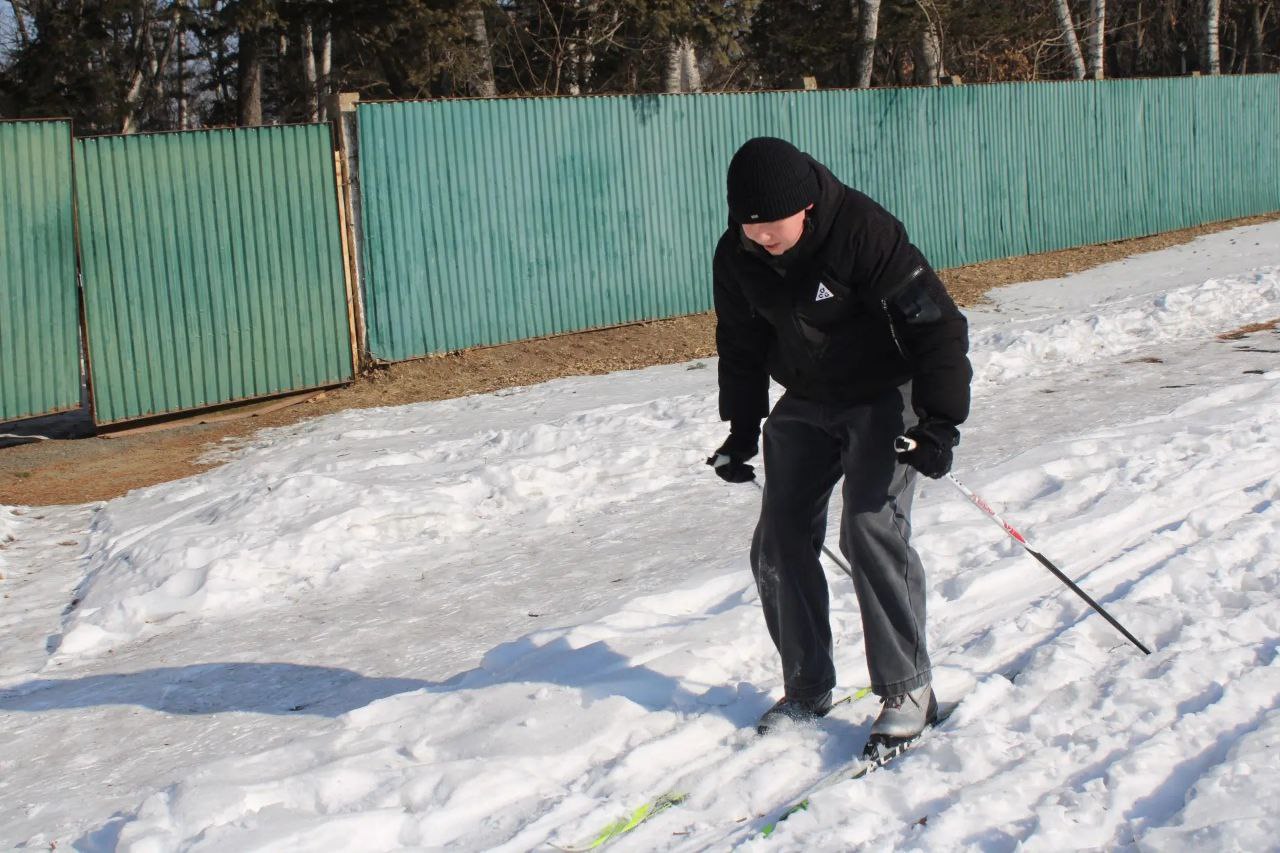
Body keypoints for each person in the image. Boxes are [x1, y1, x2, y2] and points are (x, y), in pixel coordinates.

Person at [706, 137, 972, 755]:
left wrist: (940, 423)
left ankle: (908, 689)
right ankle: (806, 684)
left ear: (804, 209)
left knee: (868, 524)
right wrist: (742, 430)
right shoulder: (736, 254)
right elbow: (740, 345)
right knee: (779, 536)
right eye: (749, 227)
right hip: (806, 395)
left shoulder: (864, 232)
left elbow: (937, 325)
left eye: (772, 227)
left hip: (884, 392)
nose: (761, 238)